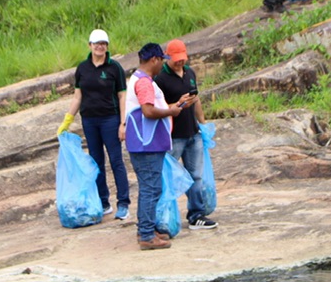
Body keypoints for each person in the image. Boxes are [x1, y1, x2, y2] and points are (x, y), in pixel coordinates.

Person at [125, 43, 195, 250]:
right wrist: (171, 112)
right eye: (161, 60)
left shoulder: (138, 78)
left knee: (149, 187)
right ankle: (146, 235)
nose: (163, 64)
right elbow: (148, 111)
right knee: (151, 189)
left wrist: (175, 105)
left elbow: (152, 107)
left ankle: (145, 229)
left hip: (144, 143)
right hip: (147, 145)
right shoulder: (145, 82)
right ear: (154, 59)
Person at [58, 29, 131, 220]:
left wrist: (123, 123)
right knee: (96, 161)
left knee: (116, 160)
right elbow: (78, 97)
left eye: (103, 43)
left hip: (110, 119)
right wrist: (67, 120)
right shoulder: (82, 68)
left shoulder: (114, 67)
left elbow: (122, 96)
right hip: (89, 121)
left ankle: (123, 203)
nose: (100, 46)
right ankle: (103, 201)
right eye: (97, 43)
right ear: (90, 45)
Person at [156, 39, 217, 230]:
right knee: (168, 176)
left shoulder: (189, 72)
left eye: (182, 58)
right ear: (167, 57)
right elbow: (156, 108)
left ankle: (196, 214)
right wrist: (178, 104)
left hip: (193, 133)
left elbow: (195, 99)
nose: (180, 62)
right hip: (173, 136)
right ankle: (165, 216)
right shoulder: (160, 79)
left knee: (196, 175)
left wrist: (203, 123)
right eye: (176, 59)